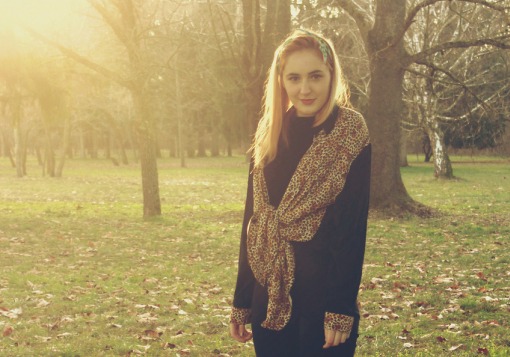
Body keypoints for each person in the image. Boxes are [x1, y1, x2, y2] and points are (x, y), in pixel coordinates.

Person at [229, 28, 371, 357]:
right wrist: (242, 300)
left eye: (315, 76)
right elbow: (253, 225)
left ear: (331, 76)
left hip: (323, 297)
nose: (304, 89)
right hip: (269, 295)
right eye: (294, 78)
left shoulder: (349, 130)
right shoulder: (268, 133)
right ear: (281, 81)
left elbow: (351, 228)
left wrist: (340, 307)